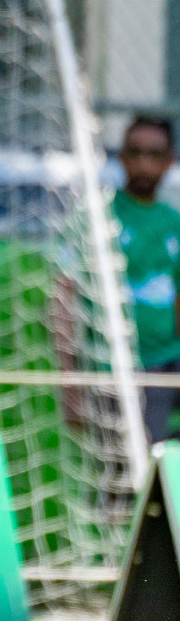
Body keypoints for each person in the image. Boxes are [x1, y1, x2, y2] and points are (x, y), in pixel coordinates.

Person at [112, 116, 180, 444]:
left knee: (162, 457)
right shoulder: (100, 218)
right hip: (116, 367)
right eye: (135, 152)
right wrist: (70, 381)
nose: (143, 163)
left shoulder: (173, 221)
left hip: (167, 363)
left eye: (154, 154)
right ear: (121, 157)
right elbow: (63, 299)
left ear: (170, 161)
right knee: (133, 460)